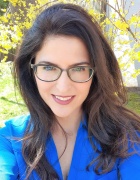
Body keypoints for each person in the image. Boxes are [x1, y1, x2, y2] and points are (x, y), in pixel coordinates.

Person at [0, 3, 140, 180]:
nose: (63, 86)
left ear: (96, 72)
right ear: (30, 70)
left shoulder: (128, 138)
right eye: (49, 67)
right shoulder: (10, 140)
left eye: (79, 69)